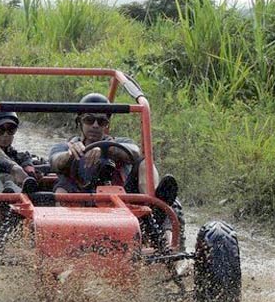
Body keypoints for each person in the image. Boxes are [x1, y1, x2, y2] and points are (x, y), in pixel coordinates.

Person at [49, 92, 180, 241]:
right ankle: (61, 235)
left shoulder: (120, 143)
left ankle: (154, 208)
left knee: (145, 162)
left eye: (101, 121)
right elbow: (55, 162)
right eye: (89, 120)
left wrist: (106, 149)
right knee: (60, 187)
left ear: (107, 125)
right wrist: (72, 154)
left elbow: (136, 153)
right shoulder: (65, 147)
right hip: (79, 201)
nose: (95, 125)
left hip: (124, 200)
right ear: (79, 121)